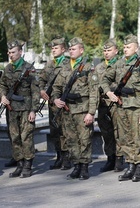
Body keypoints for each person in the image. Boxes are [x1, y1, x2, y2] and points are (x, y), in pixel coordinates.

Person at [101, 34, 140, 182]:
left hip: (136, 107)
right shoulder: (118, 64)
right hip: (121, 106)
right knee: (125, 138)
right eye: (124, 47)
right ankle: (130, 165)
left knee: (137, 138)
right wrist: (109, 92)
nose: (125, 49)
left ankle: (139, 168)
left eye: (128, 47)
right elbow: (104, 79)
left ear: (136, 48)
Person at [51, 37, 98, 180]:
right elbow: (56, 87)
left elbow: (94, 91)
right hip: (67, 110)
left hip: (82, 109)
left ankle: (84, 167)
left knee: (84, 139)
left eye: (74, 49)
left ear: (81, 50)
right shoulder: (65, 67)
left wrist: (91, 112)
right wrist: (56, 99)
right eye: (70, 49)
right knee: (71, 139)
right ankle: (76, 165)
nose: (71, 51)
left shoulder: (88, 67)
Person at [0, 40, 40, 178]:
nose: (11, 55)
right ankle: (19, 164)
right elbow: (2, 85)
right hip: (11, 109)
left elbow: (35, 91)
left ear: (20, 52)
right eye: (9, 52)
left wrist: (33, 110)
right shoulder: (7, 69)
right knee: (15, 137)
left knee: (26, 137)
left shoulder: (29, 69)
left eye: (13, 52)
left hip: (26, 109)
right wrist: (2, 96)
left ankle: (28, 165)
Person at [39, 37, 71, 170]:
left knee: (65, 131)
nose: (53, 50)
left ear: (63, 49)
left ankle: (66, 158)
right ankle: (59, 156)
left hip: (64, 104)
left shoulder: (68, 64)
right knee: (55, 132)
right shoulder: (49, 64)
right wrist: (41, 90)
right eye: (52, 48)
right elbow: (41, 79)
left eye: (56, 48)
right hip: (52, 103)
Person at [95, 38, 124, 173]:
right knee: (106, 133)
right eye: (104, 50)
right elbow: (95, 85)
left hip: (116, 104)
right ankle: (110, 158)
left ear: (116, 51)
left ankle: (119, 159)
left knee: (118, 132)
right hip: (102, 104)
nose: (106, 53)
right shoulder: (99, 67)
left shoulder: (121, 65)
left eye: (109, 50)